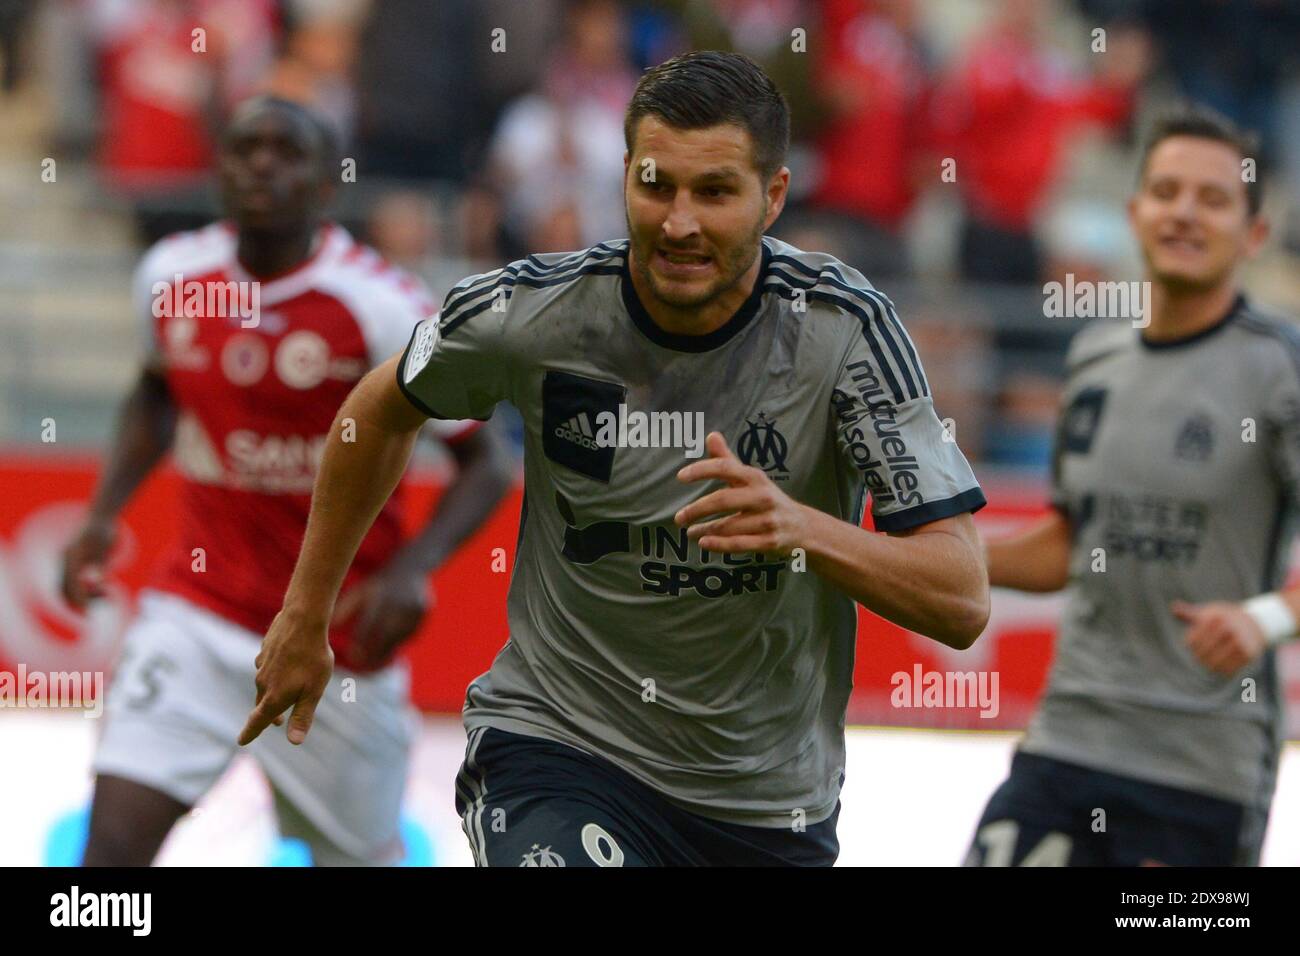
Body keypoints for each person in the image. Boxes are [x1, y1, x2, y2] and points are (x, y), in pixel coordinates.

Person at [241, 52, 989, 867]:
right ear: (623, 175)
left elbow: (960, 595)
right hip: (559, 748)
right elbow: (378, 409)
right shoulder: (529, 313)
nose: (678, 222)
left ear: (772, 197)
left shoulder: (845, 333)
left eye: (714, 192)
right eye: (655, 183)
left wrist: (801, 527)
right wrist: (306, 612)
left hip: (765, 803)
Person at [62, 96, 513, 866]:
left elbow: (489, 463)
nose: (261, 164)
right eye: (244, 148)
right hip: (196, 617)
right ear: (219, 170)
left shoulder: (381, 306)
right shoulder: (172, 276)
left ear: (326, 184)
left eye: (284, 151)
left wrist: (412, 568)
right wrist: (104, 513)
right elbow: (155, 391)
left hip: (335, 647)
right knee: (109, 853)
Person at [967, 108, 1296, 867]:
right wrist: (945, 553)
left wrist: (1265, 618)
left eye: (1212, 199)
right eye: (1167, 191)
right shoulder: (1094, 358)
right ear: (1135, 213)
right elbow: (1070, 545)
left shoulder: (1280, 370)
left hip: (1199, 769)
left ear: (1254, 234)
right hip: (1068, 737)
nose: (1184, 211)